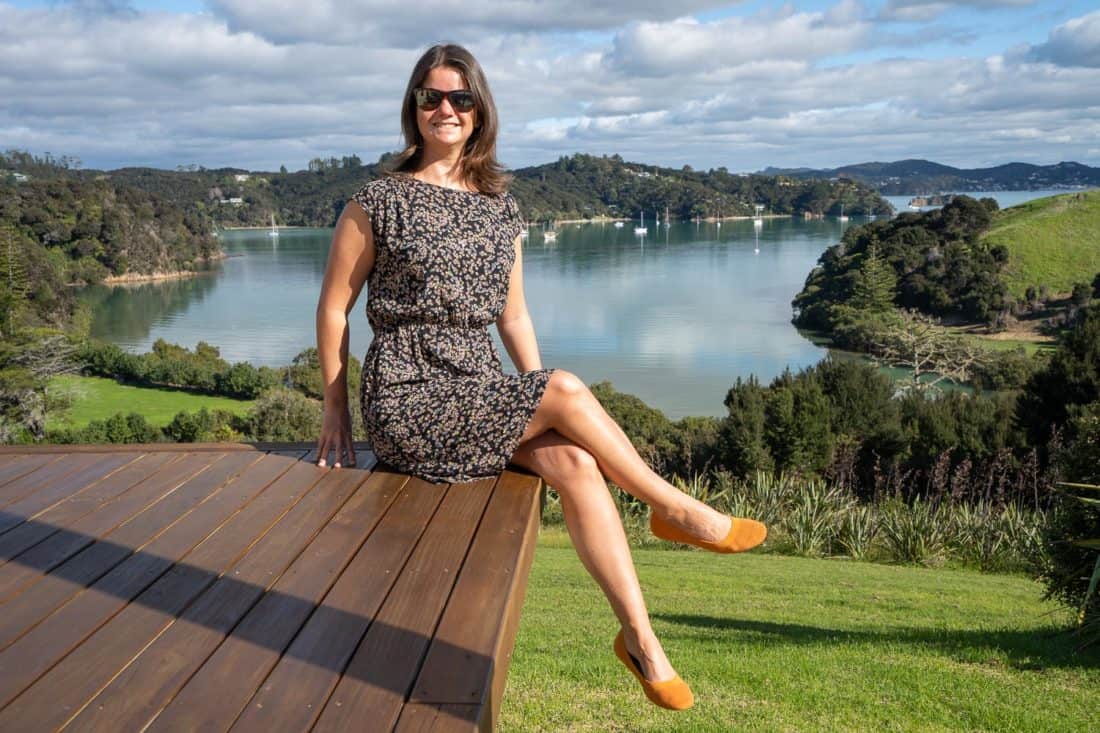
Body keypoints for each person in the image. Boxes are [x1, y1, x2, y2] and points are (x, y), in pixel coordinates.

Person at [314, 43, 767, 711]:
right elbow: (333, 307)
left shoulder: (502, 209)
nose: (445, 108)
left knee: (578, 463)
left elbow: (514, 316)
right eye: (431, 97)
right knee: (562, 389)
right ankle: (673, 508)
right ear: (412, 108)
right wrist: (337, 411)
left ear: (479, 111)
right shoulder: (377, 200)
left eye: (459, 98)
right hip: (409, 397)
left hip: (477, 389)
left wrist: (543, 405)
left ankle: (642, 641)